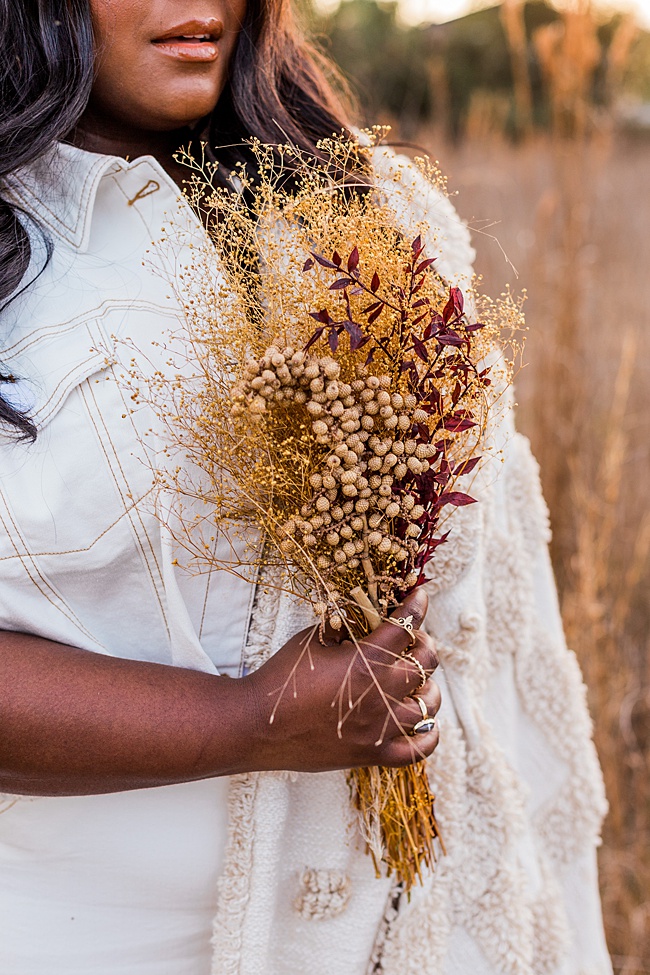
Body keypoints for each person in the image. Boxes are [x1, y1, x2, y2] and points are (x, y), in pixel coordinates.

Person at [0, 2, 612, 974]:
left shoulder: (371, 213)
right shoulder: (18, 255)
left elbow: (492, 621)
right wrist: (245, 725)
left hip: (392, 932)